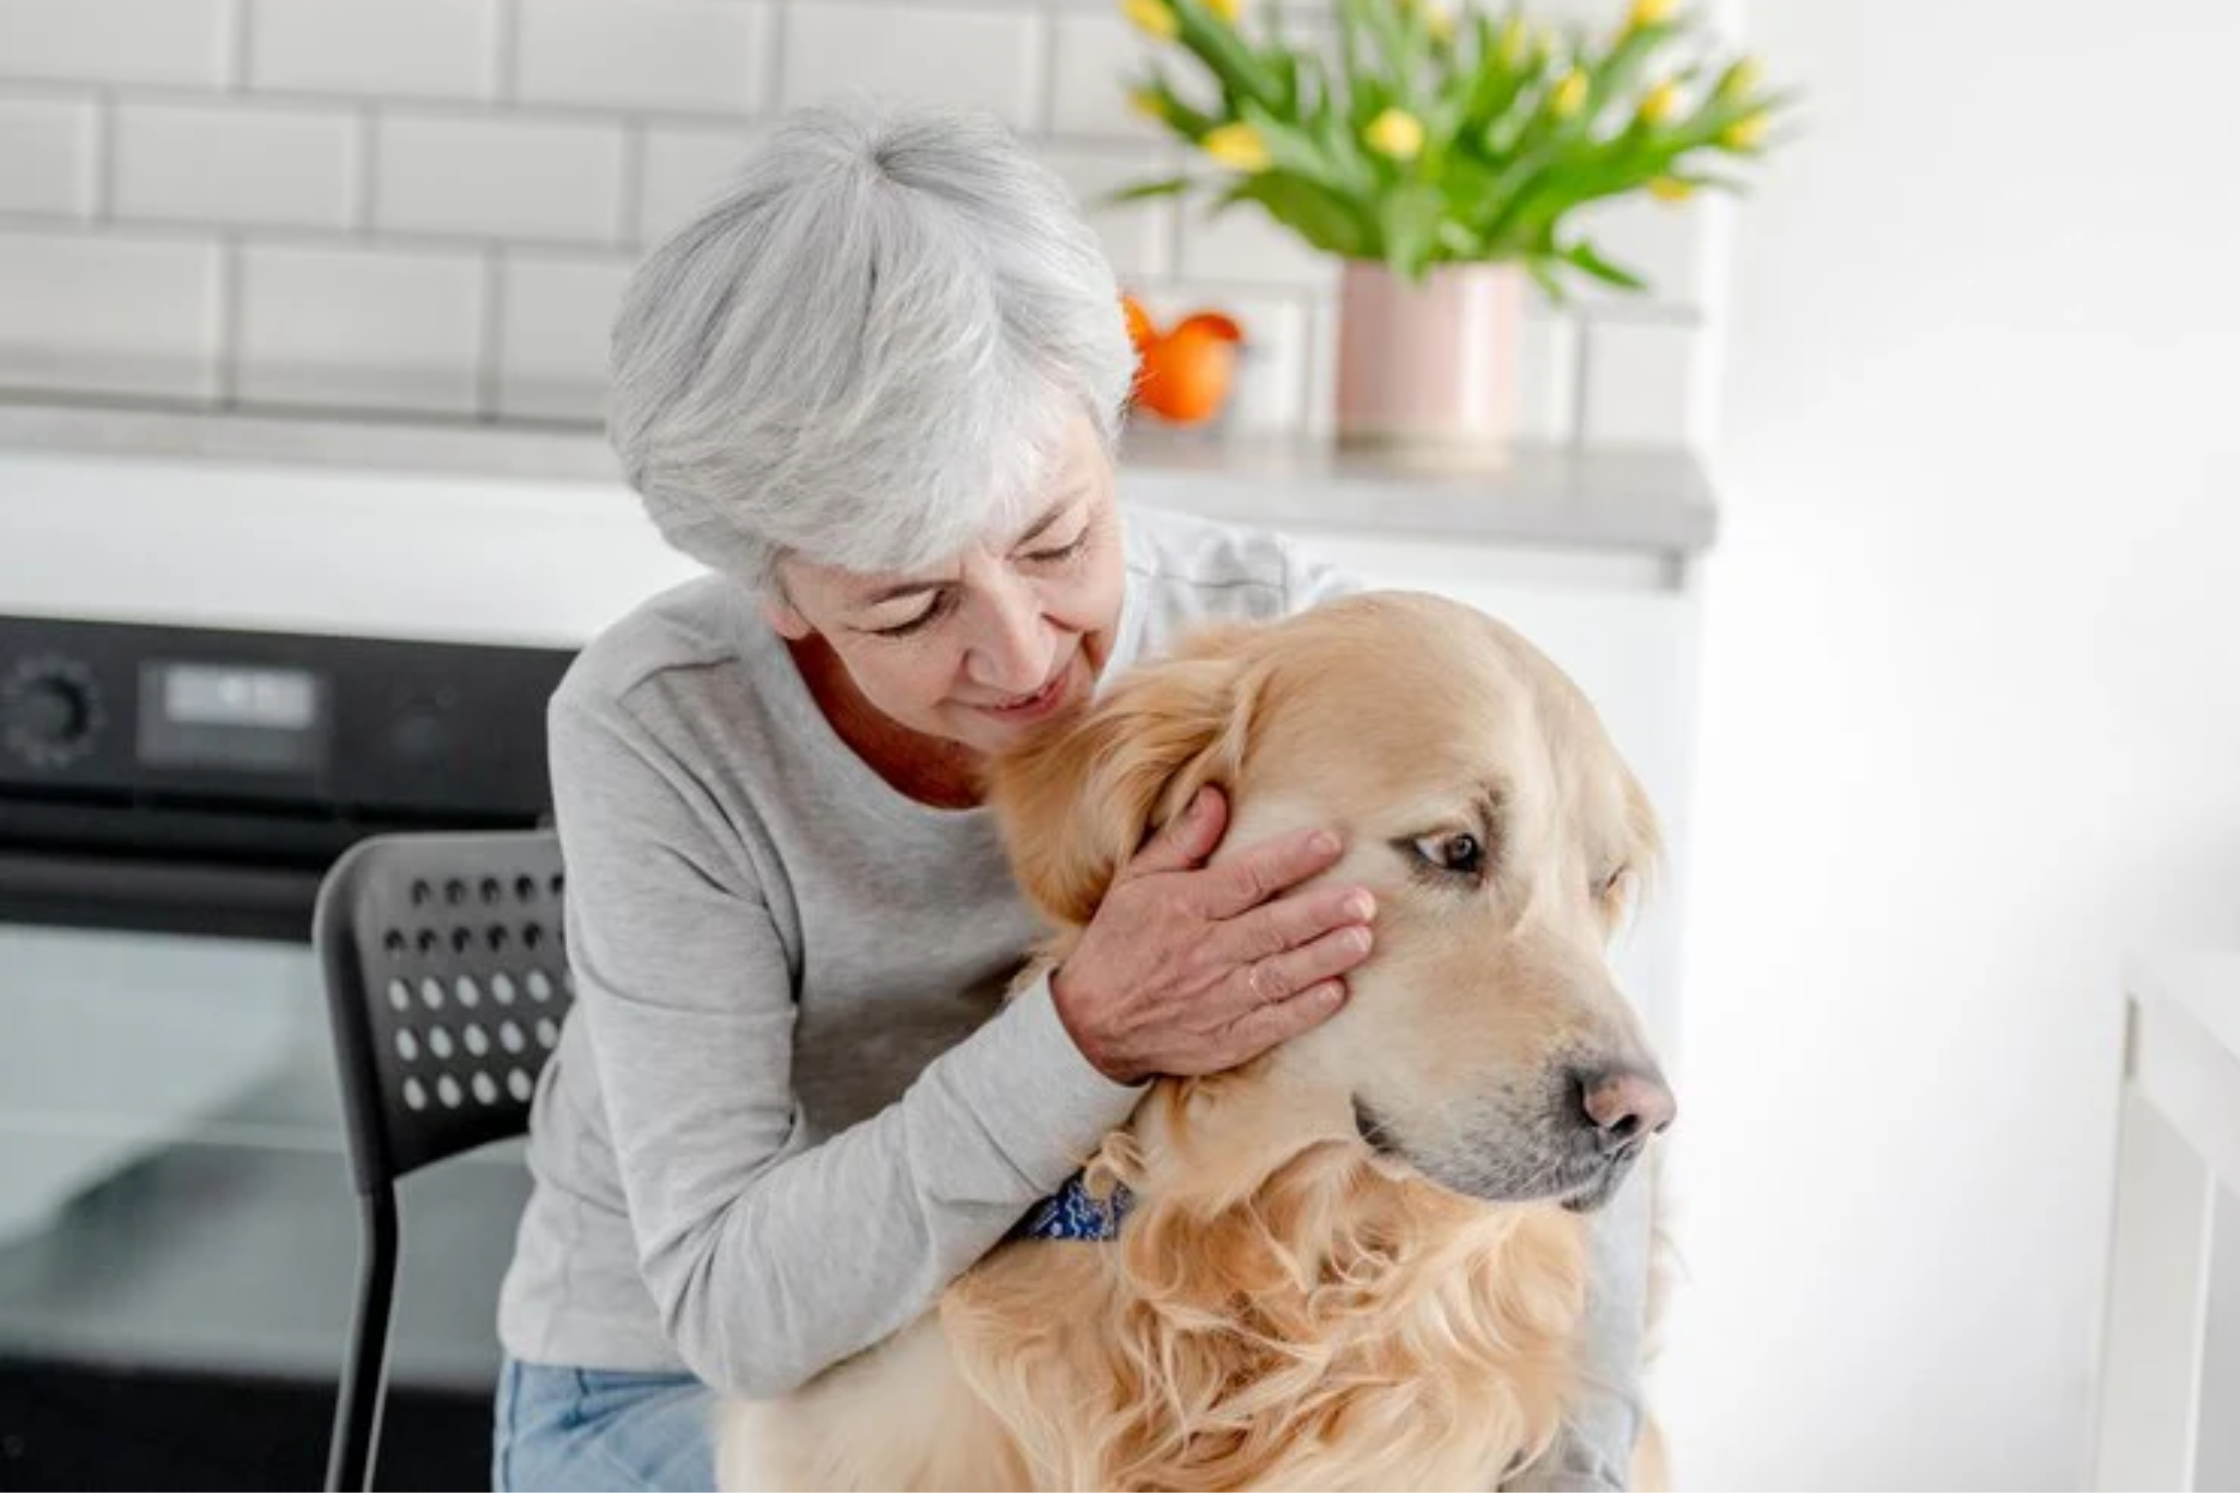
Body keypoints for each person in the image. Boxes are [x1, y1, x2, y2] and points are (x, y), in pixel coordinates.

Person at [490, 94, 1649, 1493]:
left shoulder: (1294, 659)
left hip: (1134, 1356)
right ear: (780, 591)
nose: (1024, 656)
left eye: (1057, 539)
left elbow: (1558, 1037)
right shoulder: (667, 724)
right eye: (911, 605)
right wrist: (1087, 1033)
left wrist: (1575, 1455)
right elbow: (742, 1316)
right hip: (678, 1385)